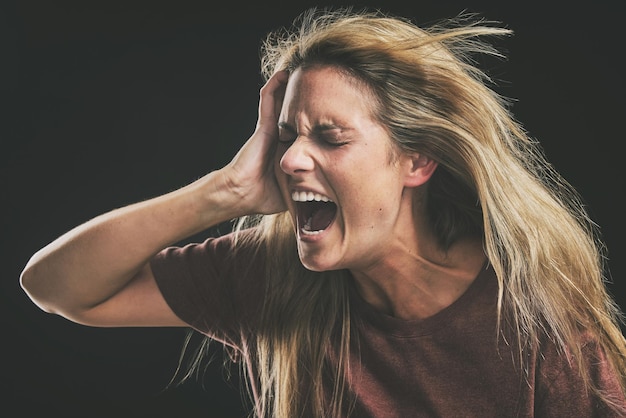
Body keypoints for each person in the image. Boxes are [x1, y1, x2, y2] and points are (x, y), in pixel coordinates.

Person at [19, 7, 626, 417]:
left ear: (416, 162)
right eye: (287, 136)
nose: (289, 161)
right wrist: (224, 192)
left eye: (331, 137)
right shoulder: (268, 273)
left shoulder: (540, 336)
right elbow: (59, 288)